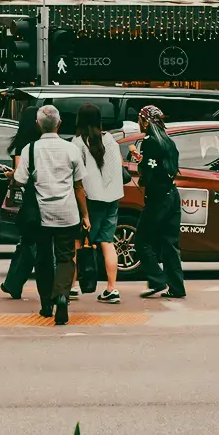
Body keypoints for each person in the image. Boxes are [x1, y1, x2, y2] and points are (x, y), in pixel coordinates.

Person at [10, 105, 89, 324]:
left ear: (37, 125)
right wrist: (85, 215)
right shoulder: (71, 148)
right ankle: (62, 295)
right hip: (67, 213)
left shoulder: (30, 149)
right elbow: (79, 186)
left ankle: (46, 304)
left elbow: (20, 180)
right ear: (59, 124)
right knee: (65, 256)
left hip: (40, 215)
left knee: (43, 258)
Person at [73, 103, 124, 304]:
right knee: (107, 241)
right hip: (112, 198)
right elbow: (116, 165)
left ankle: (73, 285)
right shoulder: (110, 140)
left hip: (90, 199)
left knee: (78, 242)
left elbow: (77, 177)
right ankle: (112, 288)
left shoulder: (77, 143)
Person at [134, 105, 186, 299]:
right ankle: (177, 287)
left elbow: (148, 173)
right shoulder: (168, 141)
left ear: (146, 121)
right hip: (172, 194)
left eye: (140, 119)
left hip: (157, 198)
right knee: (170, 243)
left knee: (142, 241)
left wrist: (141, 168)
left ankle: (157, 279)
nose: (139, 123)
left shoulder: (149, 141)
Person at [0, 108, 45, 301]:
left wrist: (11, 174)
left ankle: (13, 283)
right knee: (33, 243)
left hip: (29, 201)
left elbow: (20, 176)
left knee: (27, 243)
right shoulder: (41, 144)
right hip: (43, 198)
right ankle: (14, 283)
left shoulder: (23, 146)